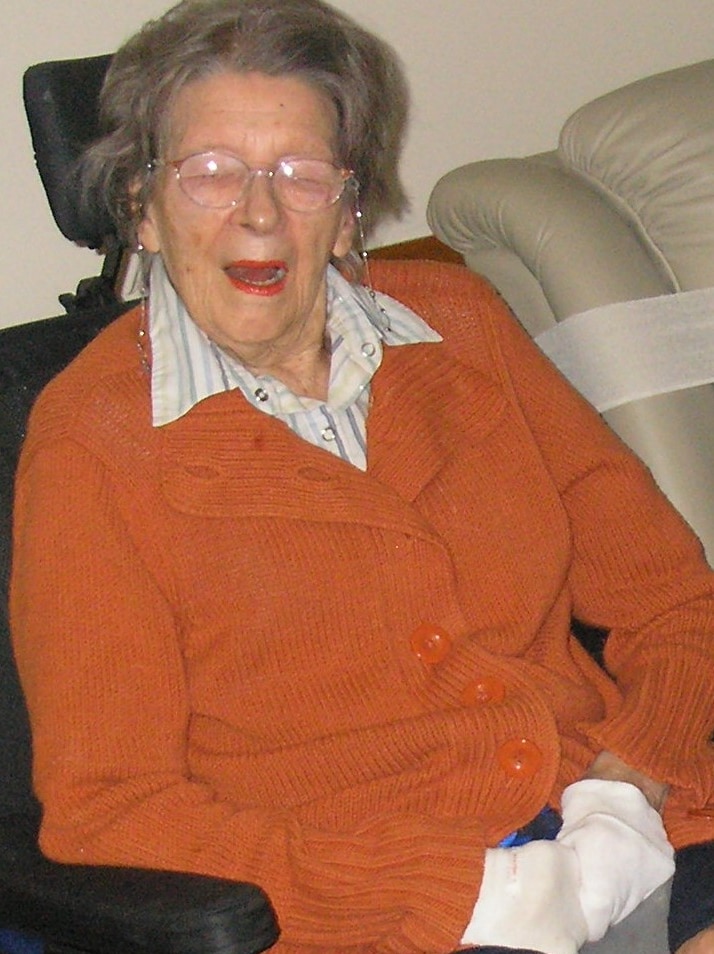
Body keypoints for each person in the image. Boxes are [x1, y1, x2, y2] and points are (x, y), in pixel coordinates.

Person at [9, 1, 714, 952]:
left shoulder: (461, 326)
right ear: (141, 206)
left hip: (610, 825)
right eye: (210, 172)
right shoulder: (91, 445)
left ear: (348, 211)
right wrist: (471, 893)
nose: (257, 213)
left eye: (300, 175)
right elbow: (110, 810)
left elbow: (674, 602)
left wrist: (631, 790)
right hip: (370, 906)